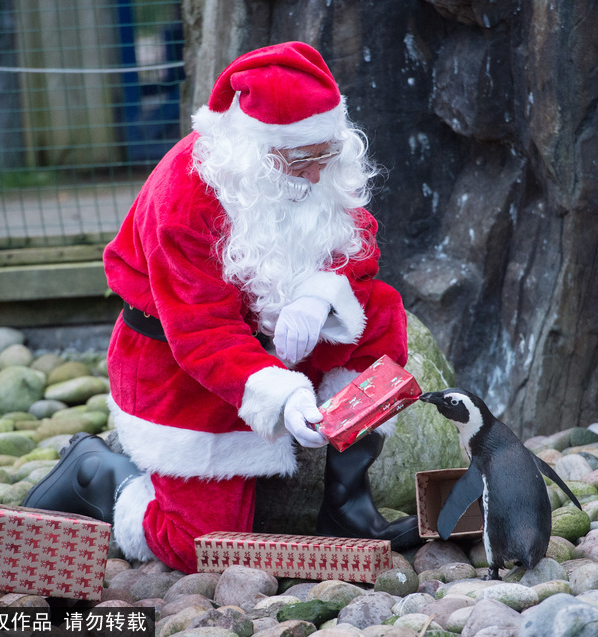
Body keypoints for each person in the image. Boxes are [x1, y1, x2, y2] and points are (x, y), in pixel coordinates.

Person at [23, 41, 420, 574]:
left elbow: (358, 239)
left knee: (380, 313)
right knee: (199, 546)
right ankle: (102, 476)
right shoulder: (185, 192)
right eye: (302, 161)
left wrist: (318, 292)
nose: (314, 175)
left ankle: (347, 503)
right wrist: (280, 398)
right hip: (179, 363)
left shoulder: (317, 165)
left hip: (269, 334)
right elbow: (201, 332)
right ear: (258, 153)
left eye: (325, 157)